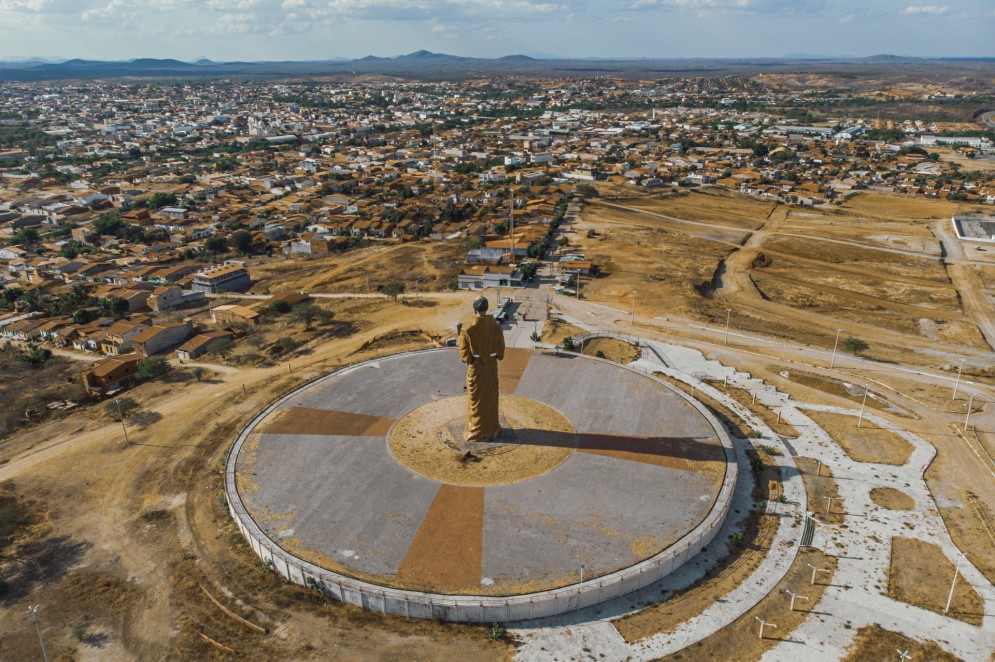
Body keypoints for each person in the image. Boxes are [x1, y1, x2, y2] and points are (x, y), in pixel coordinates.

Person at [457, 296, 505, 441]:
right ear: (487, 308)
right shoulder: (496, 327)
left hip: (476, 368)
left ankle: (476, 429)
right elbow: (501, 352)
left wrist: (474, 360)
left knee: (476, 399)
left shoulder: (467, 329)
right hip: (491, 366)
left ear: (474, 308)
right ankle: (491, 428)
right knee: (490, 397)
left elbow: (464, 354)